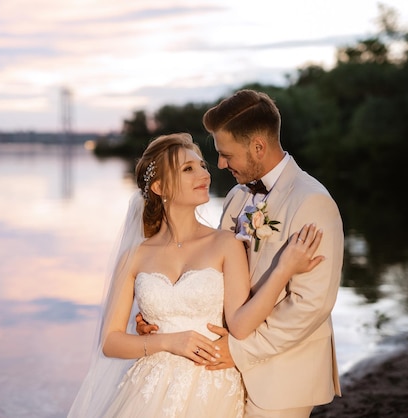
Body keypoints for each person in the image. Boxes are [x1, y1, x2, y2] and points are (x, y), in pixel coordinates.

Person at [68, 132, 324, 418]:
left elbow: (240, 324)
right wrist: (167, 341)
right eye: (188, 169)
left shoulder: (225, 243)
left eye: (202, 165)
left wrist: (283, 269)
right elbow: (111, 341)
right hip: (149, 388)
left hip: (212, 384)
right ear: (159, 187)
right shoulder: (135, 255)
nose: (203, 174)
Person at [203, 89, 344, 418]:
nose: (221, 164)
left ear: (257, 147)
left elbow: (311, 305)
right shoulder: (237, 197)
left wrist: (239, 351)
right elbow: (216, 270)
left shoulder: (312, 202)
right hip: (228, 370)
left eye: (227, 154)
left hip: (283, 376)